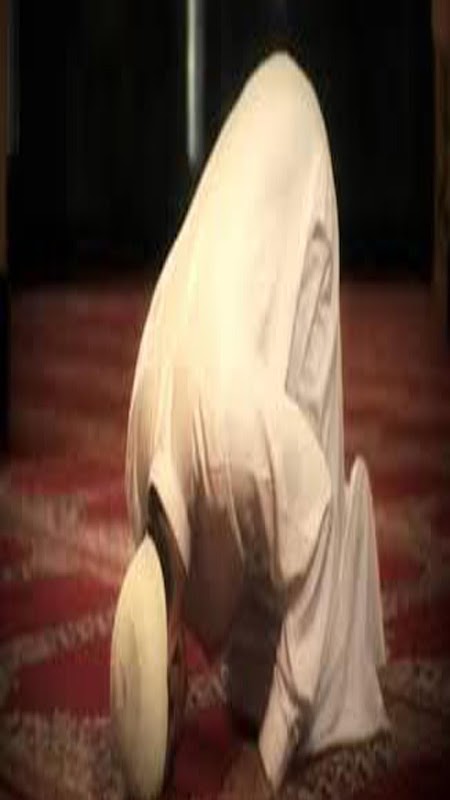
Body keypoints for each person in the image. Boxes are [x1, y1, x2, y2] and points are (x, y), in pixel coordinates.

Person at [110, 52, 389, 800]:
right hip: (244, 180)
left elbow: (313, 517)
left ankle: (312, 694)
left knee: (305, 418)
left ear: (177, 665)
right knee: (259, 498)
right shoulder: (141, 471)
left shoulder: (231, 440)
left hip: (292, 136)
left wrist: (268, 757)